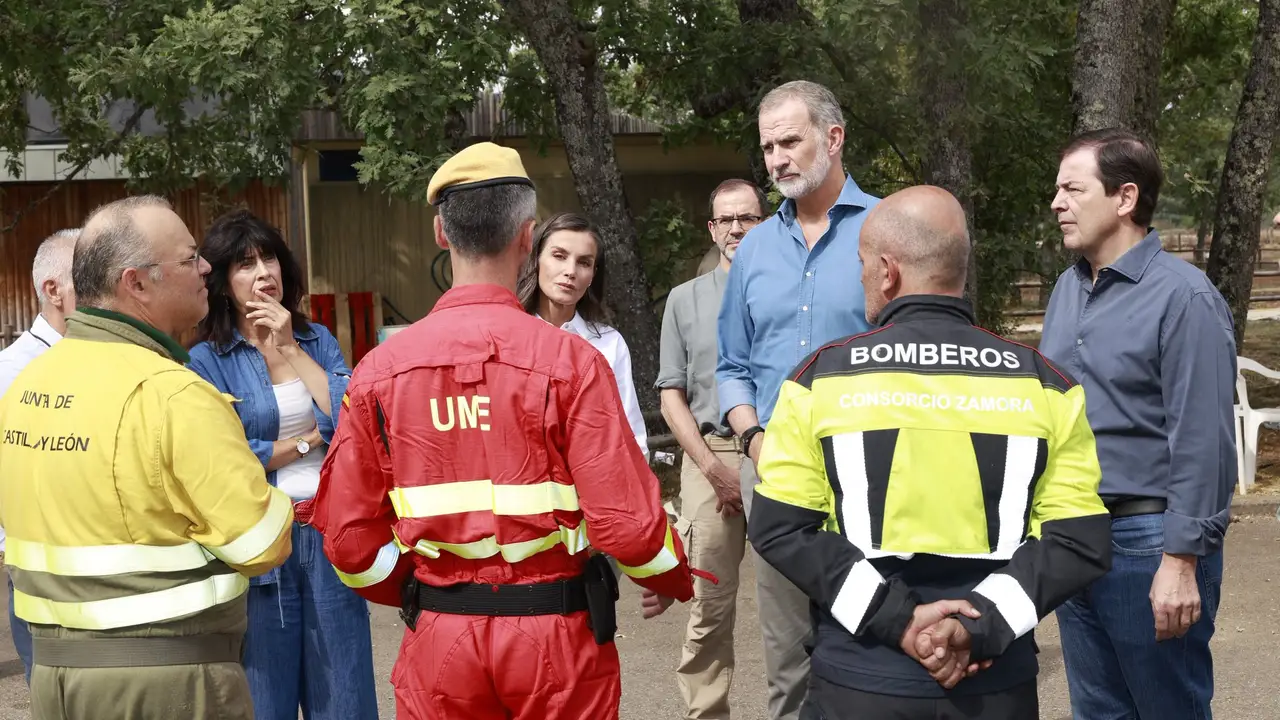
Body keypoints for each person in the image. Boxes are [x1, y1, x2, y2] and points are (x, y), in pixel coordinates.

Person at [309, 142, 698, 720]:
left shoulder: (379, 371)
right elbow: (629, 525)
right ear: (527, 237)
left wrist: (420, 591)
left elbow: (346, 538)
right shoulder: (573, 362)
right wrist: (674, 578)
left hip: (440, 638)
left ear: (441, 232)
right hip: (557, 637)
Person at [748, 184, 1113, 719]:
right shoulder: (1045, 385)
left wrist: (899, 621)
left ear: (888, 271)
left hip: (862, 676)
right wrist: (979, 625)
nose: (862, 277)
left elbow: (778, 528)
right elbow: (1080, 541)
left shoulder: (819, 379)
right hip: (994, 680)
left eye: (863, 264)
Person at [0, 195, 294, 719]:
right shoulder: (173, 393)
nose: (206, 266)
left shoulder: (27, 384)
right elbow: (262, 544)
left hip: (54, 678)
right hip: (167, 683)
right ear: (135, 283)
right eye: (188, 259)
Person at [1040, 128, 1237, 719]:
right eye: (1057, 189)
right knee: (1098, 712)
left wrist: (1180, 563)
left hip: (1148, 545)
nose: (1057, 202)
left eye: (1073, 188)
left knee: (1167, 710)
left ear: (1125, 198)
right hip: (1075, 537)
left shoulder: (1185, 298)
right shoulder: (1067, 289)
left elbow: (1203, 443)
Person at [716, 78, 881, 720]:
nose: (777, 159)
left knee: (875, 649)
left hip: (874, 476)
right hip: (777, 475)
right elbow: (732, 365)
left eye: (790, 140)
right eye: (767, 147)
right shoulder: (753, 249)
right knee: (788, 668)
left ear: (833, 138)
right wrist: (754, 439)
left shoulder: (887, 228)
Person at [187, 210, 378, 720]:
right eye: (245, 263)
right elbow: (227, 455)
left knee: (343, 692)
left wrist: (291, 348)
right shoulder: (207, 360)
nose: (262, 271)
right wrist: (306, 442)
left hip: (327, 529)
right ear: (224, 283)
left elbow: (354, 422)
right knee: (263, 694)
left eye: (268, 257)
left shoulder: (316, 341)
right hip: (261, 539)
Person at [655, 178, 768, 719]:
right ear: (712, 228)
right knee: (709, 608)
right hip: (711, 456)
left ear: (765, 223)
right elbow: (671, 395)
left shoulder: (784, 292)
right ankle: (707, 712)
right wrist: (710, 467)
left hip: (778, 455)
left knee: (795, 602)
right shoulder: (684, 300)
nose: (736, 229)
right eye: (726, 220)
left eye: (746, 218)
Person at [0, 228, 78, 686]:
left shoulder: (114, 360)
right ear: (53, 291)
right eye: (88, 278)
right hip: (41, 575)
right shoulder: (11, 372)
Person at [518, 212, 648, 460]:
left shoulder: (608, 343)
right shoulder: (508, 336)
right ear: (536, 260)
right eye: (559, 256)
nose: (570, 271)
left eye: (584, 262)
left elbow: (630, 432)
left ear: (593, 276)